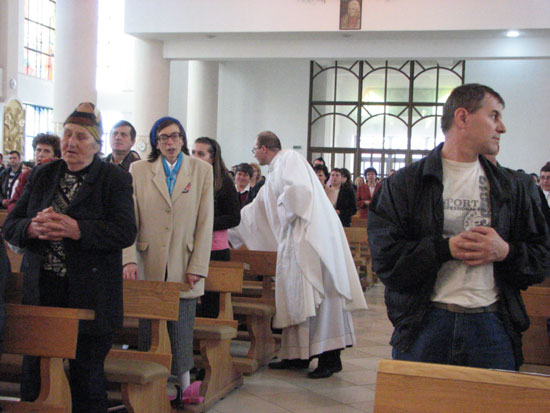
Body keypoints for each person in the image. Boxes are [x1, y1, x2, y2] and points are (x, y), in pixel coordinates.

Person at [367, 84, 550, 371]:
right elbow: (387, 262)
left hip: (492, 323)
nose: (502, 127)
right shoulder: (404, 185)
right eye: (494, 115)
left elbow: (542, 258)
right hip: (424, 323)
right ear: (462, 117)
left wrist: (505, 251)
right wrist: (445, 249)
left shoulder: (516, 188)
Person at [3, 102, 137, 412]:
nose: (71, 142)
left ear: (97, 144)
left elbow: (124, 232)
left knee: (86, 381)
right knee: (34, 378)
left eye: (80, 136)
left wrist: (78, 229)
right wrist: (31, 228)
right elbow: (11, 224)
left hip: (90, 295)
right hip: (43, 292)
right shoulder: (43, 174)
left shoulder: (113, 178)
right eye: (67, 134)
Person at [229, 131, 367, 379]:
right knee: (296, 298)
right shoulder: (276, 170)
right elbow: (257, 209)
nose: (254, 155)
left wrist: (283, 213)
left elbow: (300, 192)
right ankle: (297, 355)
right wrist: (229, 228)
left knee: (322, 298)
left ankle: (330, 358)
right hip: (295, 241)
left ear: (263, 149)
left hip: (312, 239)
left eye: (254, 150)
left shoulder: (289, 159)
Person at [122, 116, 213, 408]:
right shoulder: (139, 169)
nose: (170, 142)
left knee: (182, 325)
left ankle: (184, 386)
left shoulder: (201, 170)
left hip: (184, 259)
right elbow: (130, 218)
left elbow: (205, 222)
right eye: (163, 137)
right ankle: (154, 385)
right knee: (149, 326)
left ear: (183, 139)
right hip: (148, 257)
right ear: (155, 142)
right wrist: (128, 259)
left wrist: (198, 265)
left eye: (174, 136)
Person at [192, 137, 240, 318]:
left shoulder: (223, 181)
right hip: (190, 245)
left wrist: (204, 223)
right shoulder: (187, 178)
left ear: (212, 158)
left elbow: (234, 218)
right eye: (193, 153)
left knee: (210, 302)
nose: (195, 157)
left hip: (214, 248)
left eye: (201, 154)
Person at [7, 133, 61, 213]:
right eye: (38, 150)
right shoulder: (25, 176)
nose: (41, 155)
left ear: (55, 156)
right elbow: (13, 203)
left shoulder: (59, 176)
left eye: (46, 151)